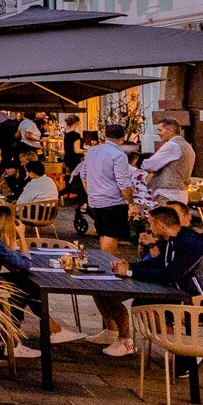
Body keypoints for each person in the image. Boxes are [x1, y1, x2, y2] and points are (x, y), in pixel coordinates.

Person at [97, 205, 203, 361]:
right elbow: (159, 263)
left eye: (151, 224)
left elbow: (169, 275)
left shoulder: (189, 243)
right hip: (192, 294)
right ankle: (183, 349)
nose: (150, 228)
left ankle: (187, 351)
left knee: (146, 306)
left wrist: (130, 272)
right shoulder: (176, 240)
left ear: (161, 225)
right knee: (138, 301)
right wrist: (130, 266)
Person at [0, 205, 86, 358]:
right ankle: (13, 344)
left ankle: (53, 330)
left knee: (24, 284)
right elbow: (24, 264)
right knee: (21, 290)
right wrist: (21, 236)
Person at [73, 124, 138, 349]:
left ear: (105, 135)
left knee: (103, 235)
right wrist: (131, 203)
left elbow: (82, 175)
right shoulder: (118, 155)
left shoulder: (92, 151)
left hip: (96, 201)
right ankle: (105, 271)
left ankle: (102, 268)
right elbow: (123, 182)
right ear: (123, 137)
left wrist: (92, 192)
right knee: (111, 237)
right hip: (112, 202)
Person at [140, 119, 193, 204]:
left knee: (165, 216)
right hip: (181, 192)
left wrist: (142, 164)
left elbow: (149, 165)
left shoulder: (172, 145)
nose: (158, 133)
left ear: (170, 131)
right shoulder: (187, 146)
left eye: (160, 130)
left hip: (167, 194)